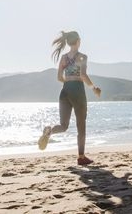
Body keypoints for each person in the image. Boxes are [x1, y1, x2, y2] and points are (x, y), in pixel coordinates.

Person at [38, 30, 101, 165]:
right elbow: (83, 75)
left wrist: (68, 83)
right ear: (78, 41)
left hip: (65, 91)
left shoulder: (63, 58)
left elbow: (59, 77)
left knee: (63, 125)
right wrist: (93, 88)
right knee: (81, 125)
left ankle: (49, 130)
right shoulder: (82, 56)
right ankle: (81, 157)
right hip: (77, 91)